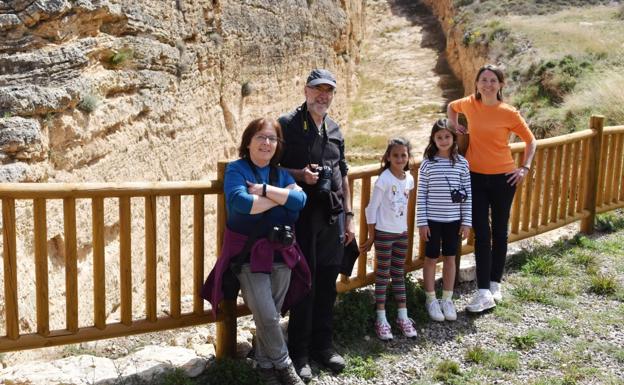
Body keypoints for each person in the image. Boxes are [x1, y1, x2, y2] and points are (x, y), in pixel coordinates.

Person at [201, 118, 311, 385]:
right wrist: (279, 198)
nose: (266, 143)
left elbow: (299, 202)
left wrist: (263, 191)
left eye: (272, 138)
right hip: (248, 255)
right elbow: (240, 204)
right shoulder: (237, 170)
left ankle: (264, 368)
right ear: (248, 141)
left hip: (281, 254)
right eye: (261, 137)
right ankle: (284, 366)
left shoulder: (280, 174)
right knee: (268, 314)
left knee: (269, 314)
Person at [278, 69, 354, 382]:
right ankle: (300, 353)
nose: (323, 96)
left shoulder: (334, 128)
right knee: (304, 286)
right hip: (303, 218)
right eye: (317, 90)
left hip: (333, 218)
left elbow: (343, 173)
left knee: (327, 284)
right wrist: (300, 175)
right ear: (306, 90)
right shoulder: (287, 125)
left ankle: (324, 346)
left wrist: (349, 215)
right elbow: (273, 166)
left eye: (328, 91)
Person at [447, 64, 537, 313]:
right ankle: (483, 290)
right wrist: (455, 126)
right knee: (481, 233)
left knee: (499, 231)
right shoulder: (468, 103)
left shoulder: (509, 112)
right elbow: (451, 108)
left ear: (500, 85)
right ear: (477, 83)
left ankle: (496, 284)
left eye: (493, 80)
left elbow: (531, 141)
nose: (487, 84)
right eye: (483, 80)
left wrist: (524, 168)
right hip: (474, 177)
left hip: (504, 179)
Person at [360, 137, 418, 341]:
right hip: (384, 234)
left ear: (408, 156)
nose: (400, 158)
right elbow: (371, 208)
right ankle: (381, 319)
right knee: (383, 275)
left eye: (403, 155)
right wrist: (372, 234)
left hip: (401, 233)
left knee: (398, 274)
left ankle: (403, 316)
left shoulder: (409, 179)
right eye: (395, 155)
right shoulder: (383, 179)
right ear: (388, 157)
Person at [416, 119, 472, 322]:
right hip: (432, 221)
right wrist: (422, 222)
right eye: (439, 137)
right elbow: (421, 195)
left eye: (447, 136)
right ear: (433, 139)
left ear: (454, 138)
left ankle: (447, 298)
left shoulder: (462, 164)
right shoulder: (427, 164)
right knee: (430, 258)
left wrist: (467, 222)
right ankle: (430, 298)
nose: (443, 140)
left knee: (450, 258)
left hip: (454, 221)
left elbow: (467, 195)